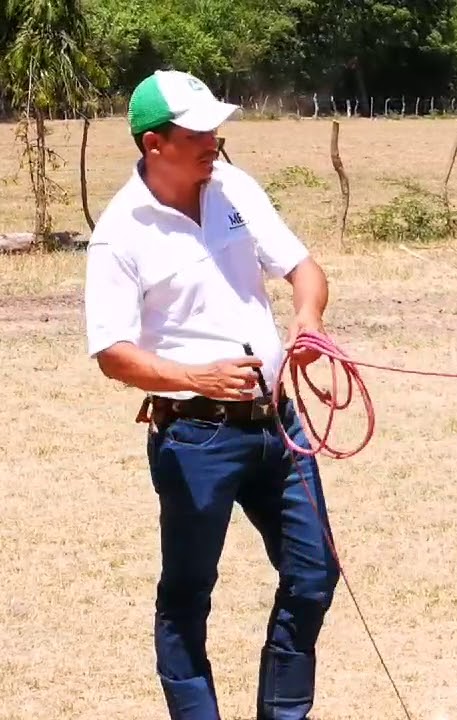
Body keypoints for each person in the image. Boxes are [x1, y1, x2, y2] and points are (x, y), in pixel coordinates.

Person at [82, 69, 340, 720]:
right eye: (196, 132)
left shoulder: (234, 186)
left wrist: (306, 321)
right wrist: (195, 378)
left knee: (314, 575)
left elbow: (303, 268)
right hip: (194, 438)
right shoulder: (121, 233)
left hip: (278, 425)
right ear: (153, 145)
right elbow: (112, 352)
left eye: (213, 129)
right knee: (188, 594)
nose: (212, 141)